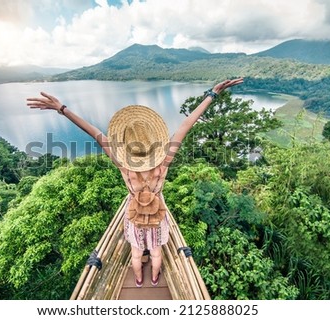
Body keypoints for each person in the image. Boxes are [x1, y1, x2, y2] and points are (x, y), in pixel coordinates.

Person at [27, 78, 243, 288]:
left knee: (136, 253)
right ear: (153, 145)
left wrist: (62, 109)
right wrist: (212, 95)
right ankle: (155, 279)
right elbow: (187, 124)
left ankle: (139, 281)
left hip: (134, 218)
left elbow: (94, 132)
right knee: (157, 252)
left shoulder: (124, 165)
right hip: (158, 215)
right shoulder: (164, 162)